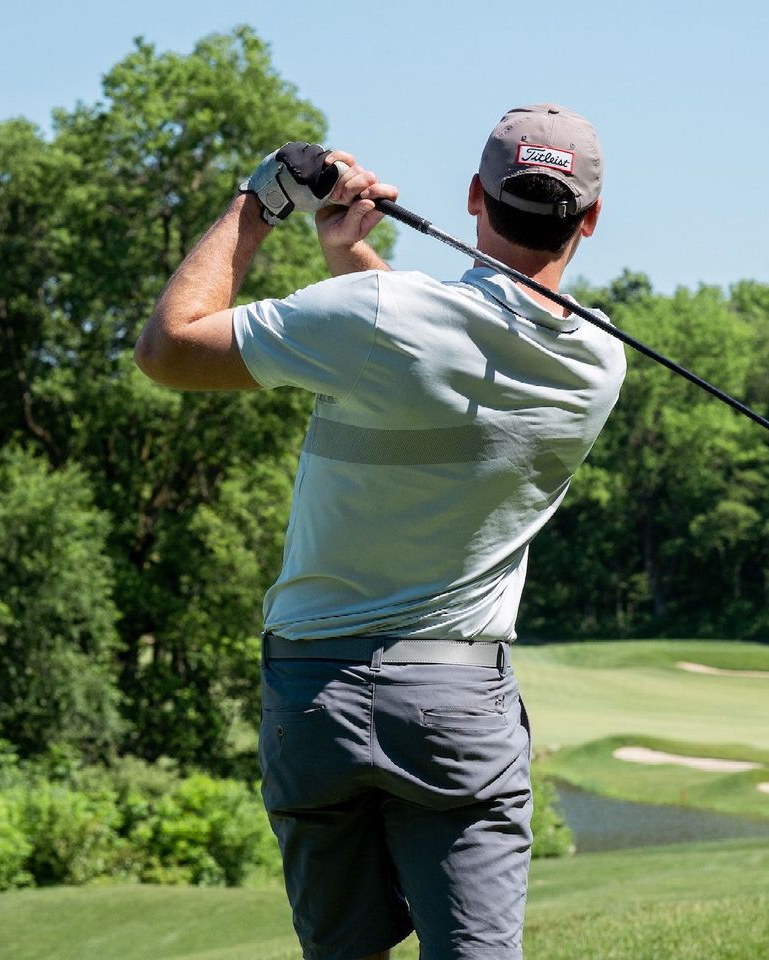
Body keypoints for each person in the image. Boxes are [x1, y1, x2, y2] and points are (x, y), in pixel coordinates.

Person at [134, 104, 626, 960]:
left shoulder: (370, 314)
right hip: (456, 705)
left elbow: (169, 349)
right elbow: (442, 347)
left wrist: (260, 202)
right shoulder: (599, 363)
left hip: (312, 700)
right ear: (589, 220)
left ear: (475, 195)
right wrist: (347, 256)